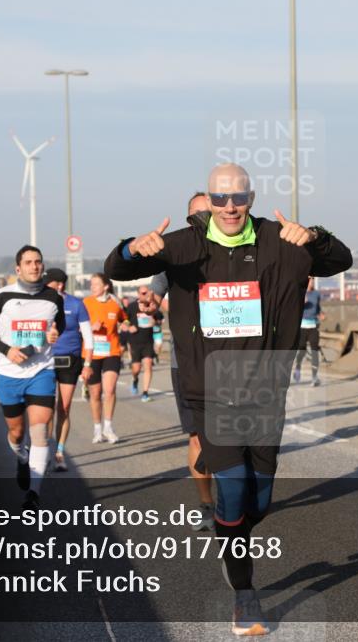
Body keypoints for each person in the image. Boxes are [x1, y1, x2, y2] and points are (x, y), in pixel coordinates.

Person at [105, 163, 352, 637]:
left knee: (257, 503)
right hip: (209, 389)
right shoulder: (182, 246)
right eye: (219, 199)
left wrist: (315, 236)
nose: (229, 207)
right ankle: (244, 594)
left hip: (265, 389)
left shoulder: (281, 241)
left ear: (252, 198)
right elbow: (115, 269)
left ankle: (231, 531)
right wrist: (131, 247)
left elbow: (340, 260)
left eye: (238, 197)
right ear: (209, 202)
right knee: (234, 488)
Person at [0, 245, 63, 510]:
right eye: (29, 262)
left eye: (38, 262)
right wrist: (6, 350)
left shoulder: (54, 298)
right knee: (16, 432)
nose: (35, 266)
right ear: (18, 268)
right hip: (9, 374)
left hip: (41, 371)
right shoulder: (3, 296)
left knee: (40, 431)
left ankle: (33, 494)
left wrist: (53, 336)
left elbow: (57, 329)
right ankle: (22, 459)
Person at [147, 191, 216, 532]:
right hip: (187, 360)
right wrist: (151, 303)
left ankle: (240, 497)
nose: (203, 220)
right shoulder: (173, 256)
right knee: (198, 438)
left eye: (209, 212)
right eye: (196, 215)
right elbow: (154, 296)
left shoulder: (240, 251)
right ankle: (207, 504)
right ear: (187, 218)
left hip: (236, 359)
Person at [43, 267, 93, 471]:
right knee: (45, 410)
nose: (46, 285)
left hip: (69, 361)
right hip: (44, 361)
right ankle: (43, 451)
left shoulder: (76, 304)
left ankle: (59, 452)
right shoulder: (40, 302)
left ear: (60, 285)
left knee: (63, 408)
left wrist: (87, 364)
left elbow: (88, 338)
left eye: (50, 283)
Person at [82, 273, 129, 444]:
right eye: (91, 284)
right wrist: (89, 328)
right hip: (91, 353)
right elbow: (76, 327)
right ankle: (97, 429)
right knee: (96, 393)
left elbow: (126, 319)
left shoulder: (115, 302)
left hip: (112, 352)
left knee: (109, 391)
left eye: (95, 284)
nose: (92, 287)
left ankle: (108, 427)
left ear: (106, 286)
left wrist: (125, 325)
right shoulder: (86, 303)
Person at [126, 285, 163, 402]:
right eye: (142, 293)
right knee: (136, 368)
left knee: (148, 365)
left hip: (148, 341)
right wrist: (129, 327)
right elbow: (122, 320)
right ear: (138, 294)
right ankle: (135, 379)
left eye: (146, 292)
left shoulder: (153, 305)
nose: (145, 295)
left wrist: (155, 322)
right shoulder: (131, 307)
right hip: (135, 342)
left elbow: (160, 320)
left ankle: (145, 393)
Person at [293, 277, 325, 386]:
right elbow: (292, 308)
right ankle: (297, 369)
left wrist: (321, 314)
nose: (311, 282)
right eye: (309, 280)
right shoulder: (299, 293)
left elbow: (318, 308)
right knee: (301, 351)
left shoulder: (316, 294)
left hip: (313, 326)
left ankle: (314, 377)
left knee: (314, 351)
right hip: (302, 327)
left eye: (312, 280)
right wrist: (301, 301)